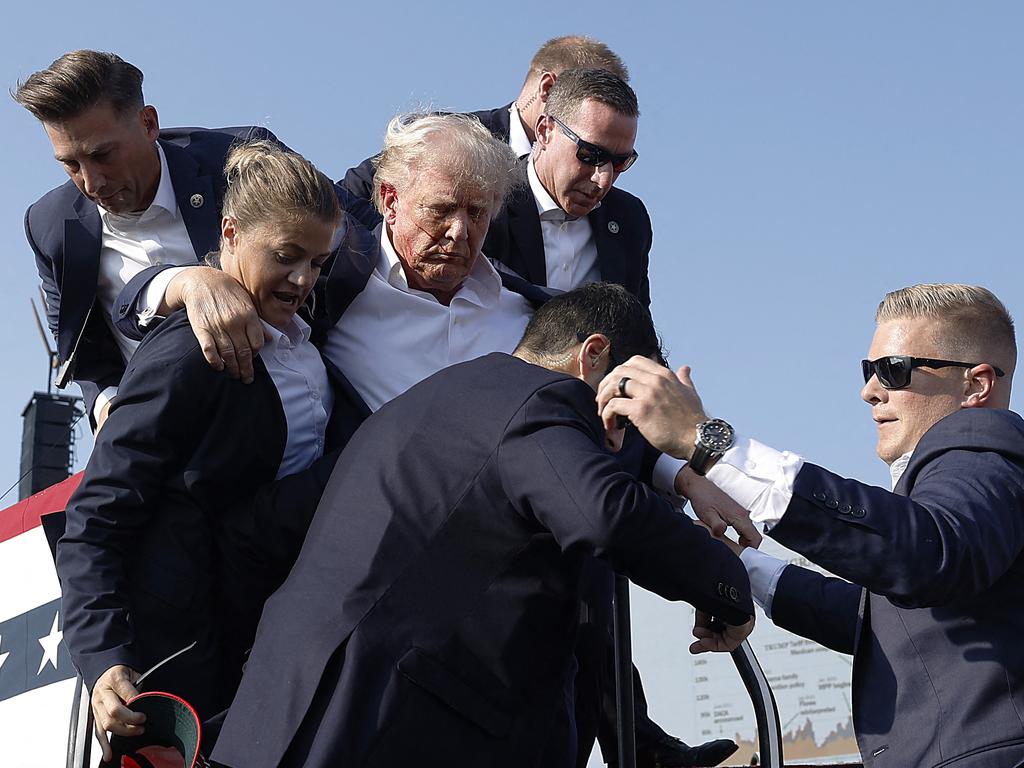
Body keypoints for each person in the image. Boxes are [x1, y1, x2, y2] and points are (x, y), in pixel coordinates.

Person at [121, 111, 731, 768]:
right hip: (342, 547)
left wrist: (687, 469)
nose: (461, 232)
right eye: (442, 210)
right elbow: (228, 272)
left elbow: (596, 425)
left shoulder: (530, 320)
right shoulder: (325, 283)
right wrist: (187, 280)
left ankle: (639, 744)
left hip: (495, 595)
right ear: (388, 201)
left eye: (478, 213)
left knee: (582, 560)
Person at [209, 283, 754, 768]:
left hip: (277, 716)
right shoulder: (542, 403)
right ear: (593, 358)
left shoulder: (435, 400)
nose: (621, 440)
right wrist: (726, 583)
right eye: (626, 413)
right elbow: (607, 515)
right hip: (392, 727)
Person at [597, 284, 1024, 768]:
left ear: (977, 385)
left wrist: (710, 445)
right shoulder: (976, 498)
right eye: (869, 371)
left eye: (895, 370)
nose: (869, 391)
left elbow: (930, 554)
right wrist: (738, 566)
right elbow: (876, 622)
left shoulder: (986, 448)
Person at [56, 140, 365, 762]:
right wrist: (105, 661)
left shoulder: (305, 346)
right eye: (286, 257)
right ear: (230, 233)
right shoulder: (186, 354)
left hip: (266, 658)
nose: (304, 279)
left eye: (318, 262)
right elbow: (95, 520)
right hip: (185, 678)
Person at [14, 49, 371, 429]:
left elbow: (346, 220)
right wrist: (109, 406)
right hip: (170, 445)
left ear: (148, 123)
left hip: (298, 417)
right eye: (70, 164)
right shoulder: (48, 225)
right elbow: (80, 351)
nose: (91, 182)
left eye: (103, 155)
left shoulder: (239, 159)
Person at [483, 67, 651, 308]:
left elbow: (637, 331)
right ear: (544, 131)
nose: (603, 179)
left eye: (619, 162)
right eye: (590, 154)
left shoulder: (629, 220)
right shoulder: (488, 200)